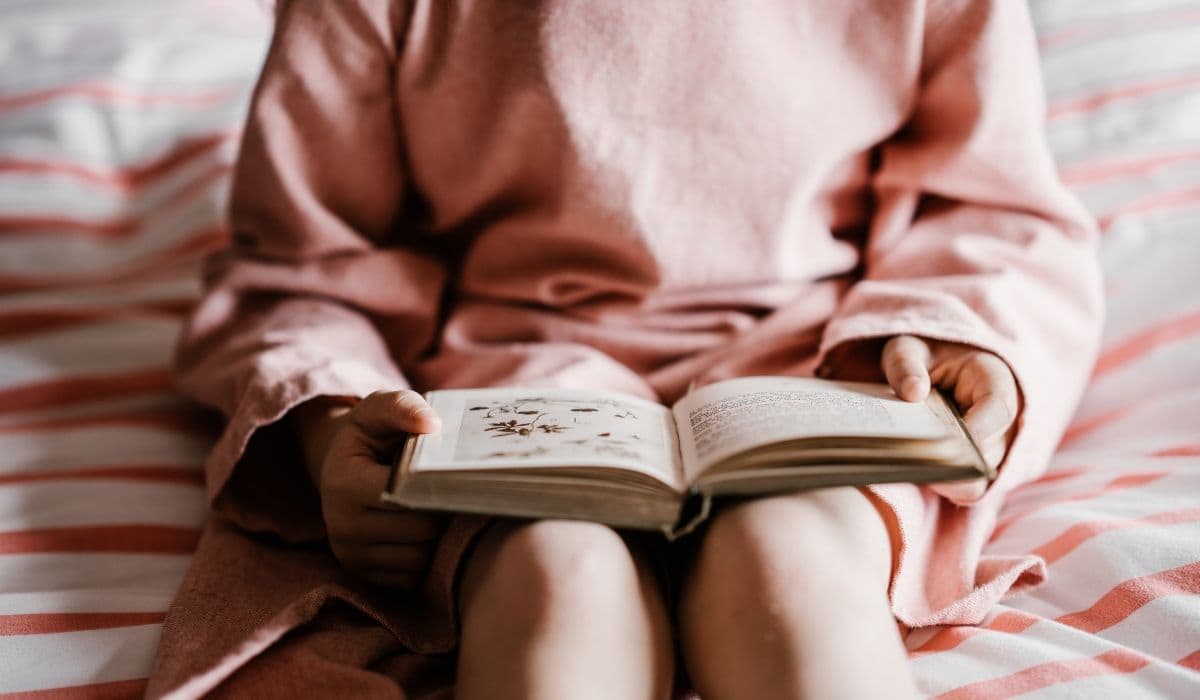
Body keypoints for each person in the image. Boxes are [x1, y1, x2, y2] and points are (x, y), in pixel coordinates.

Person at [148, 1, 1103, 698]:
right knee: (554, 580)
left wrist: (965, 340)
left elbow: (990, 204)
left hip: (824, 366)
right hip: (506, 378)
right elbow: (305, 266)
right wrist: (330, 429)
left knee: (791, 568)